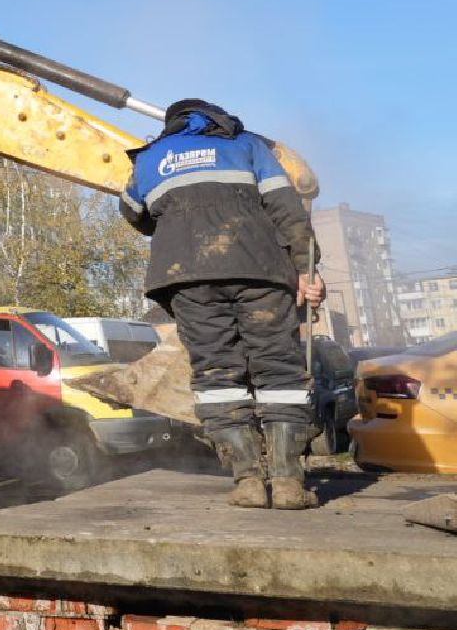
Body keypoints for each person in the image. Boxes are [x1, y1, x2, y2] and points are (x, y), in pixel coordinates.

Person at [120, 99, 326, 510]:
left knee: (216, 373)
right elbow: (287, 210)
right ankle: (287, 483)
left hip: (187, 277)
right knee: (278, 368)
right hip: (259, 270)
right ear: (219, 120)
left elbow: (133, 213)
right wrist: (307, 269)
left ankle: (248, 482)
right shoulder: (248, 145)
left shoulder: (149, 158)